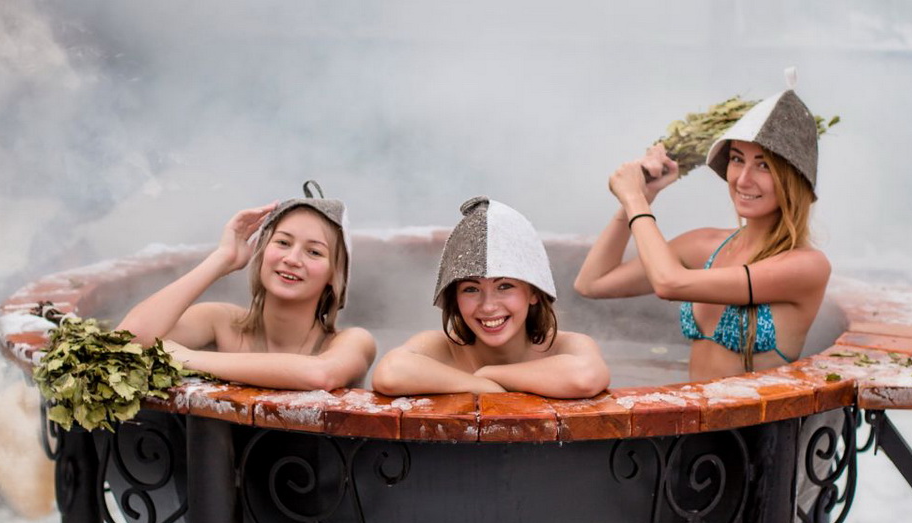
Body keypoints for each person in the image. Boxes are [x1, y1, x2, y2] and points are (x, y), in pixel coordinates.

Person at [574, 88, 831, 381]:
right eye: (737, 159)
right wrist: (642, 195)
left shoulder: (805, 266)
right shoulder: (705, 246)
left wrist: (634, 199)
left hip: (753, 413)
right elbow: (592, 283)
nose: (743, 179)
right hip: (693, 411)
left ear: (793, 178)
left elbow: (669, 283)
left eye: (763, 165)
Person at [116, 181, 375, 390]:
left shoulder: (353, 341)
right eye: (283, 243)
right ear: (262, 251)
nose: (292, 259)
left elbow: (319, 375)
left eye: (314, 252)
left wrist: (186, 357)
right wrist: (222, 259)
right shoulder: (220, 322)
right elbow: (126, 341)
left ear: (334, 274)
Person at [373, 196, 610, 398]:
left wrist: (489, 373)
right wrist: (480, 386)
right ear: (455, 298)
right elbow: (390, 373)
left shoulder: (564, 346)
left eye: (505, 286)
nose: (488, 306)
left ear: (534, 293)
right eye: (471, 289)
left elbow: (585, 377)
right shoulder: (443, 348)